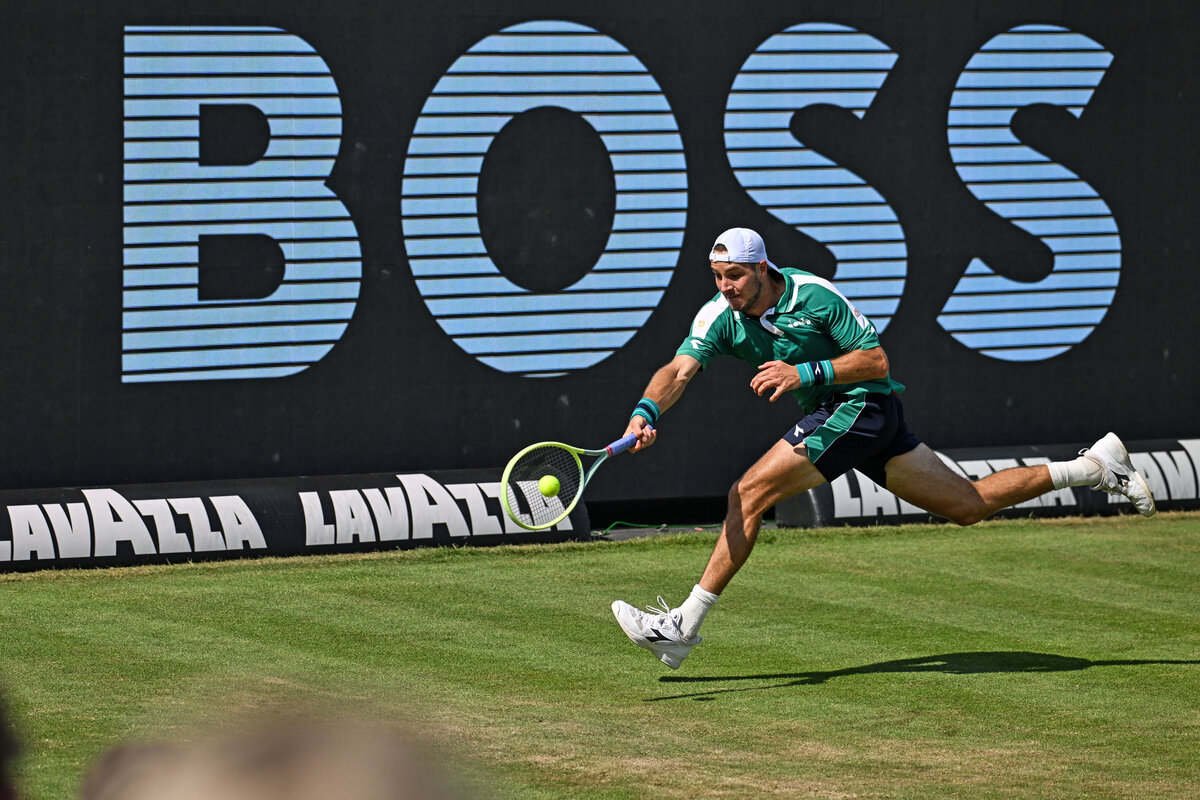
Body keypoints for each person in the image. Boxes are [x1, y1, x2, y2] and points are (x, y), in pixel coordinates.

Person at [610, 227, 1156, 670]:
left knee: (746, 494)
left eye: (735, 276)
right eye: (718, 277)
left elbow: (877, 363)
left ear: (761, 270)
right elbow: (679, 370)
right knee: (967, 505)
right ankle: (1092, 467)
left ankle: (682, 626)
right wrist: (646, 412)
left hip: (861, 406)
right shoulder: (718, 315)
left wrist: (804, 372)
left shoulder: (816, 296)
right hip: (849, 418)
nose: (725, 286)